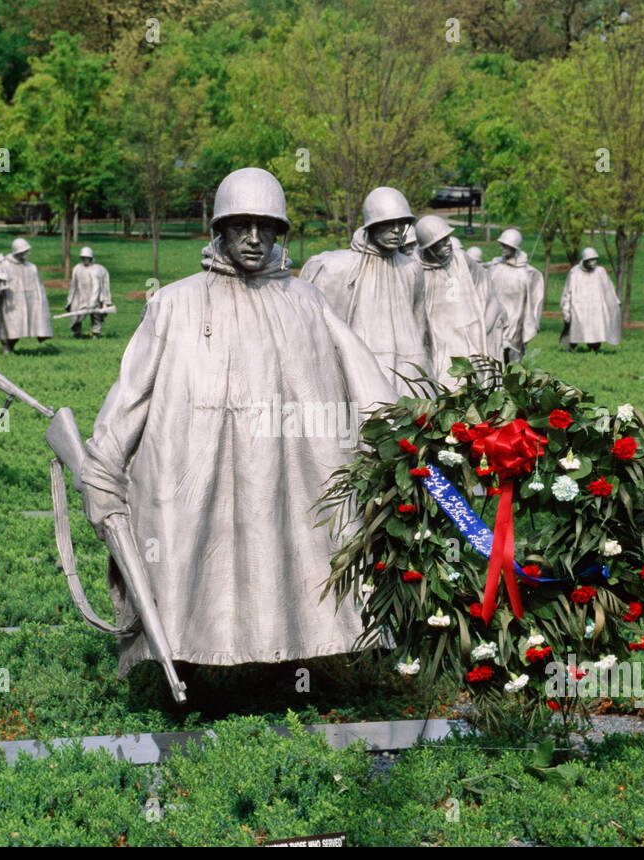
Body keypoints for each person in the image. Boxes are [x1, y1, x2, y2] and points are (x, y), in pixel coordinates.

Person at [78, 167, 394, 682]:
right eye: (240, 225)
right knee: (197, 560)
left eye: (265, 226)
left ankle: (293, 660)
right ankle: (192, 666)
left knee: (288, 555)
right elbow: (132, 392)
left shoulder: (307, 301)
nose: (253, 238)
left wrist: (400, 441)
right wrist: (103, 463)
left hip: (289, 474)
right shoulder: (175, 302)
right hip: (198, 472)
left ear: (279, 233)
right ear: (219, 230)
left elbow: (364, 377)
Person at [299, 186, 432, 383]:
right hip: (362, 366)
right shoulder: (340, 266)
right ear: (371, 225)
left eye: (400, 223)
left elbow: (419, 322)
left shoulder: (411, 268)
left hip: (409, 366)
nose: (396, 230)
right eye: (388, 223)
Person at [414, 215, 504, 382]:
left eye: (447, 238)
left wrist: (484, 326)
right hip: (436, 339)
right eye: (441, 241)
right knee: (442, 382)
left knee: (473, 382)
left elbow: (486, 288)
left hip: (468, 335)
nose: (448, 243)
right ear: (429, 247)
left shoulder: (461, 259)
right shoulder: (414, 268)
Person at [0, 237, 53, 353]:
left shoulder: (31, 268)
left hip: (26, 303)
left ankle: (9, 347)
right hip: (10, 303)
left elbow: (39, 288)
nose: (26, 254)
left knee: (21, 327)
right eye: (23, 252)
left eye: (26, 251)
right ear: (17, 252)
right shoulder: (5, 264)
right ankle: (7, 347)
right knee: (12, 327)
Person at [488, 228, 545, 362]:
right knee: (493, 359)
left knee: (514, 361)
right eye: (501, 245)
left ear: (514, 248)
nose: (502, 248)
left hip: (516, 322)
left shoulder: (527, 274)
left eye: (506, 246)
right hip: (495, 320)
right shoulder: (495, 268)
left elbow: (535, 300)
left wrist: (532, 322)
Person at [560, 247, 621, 352]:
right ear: (585, 260)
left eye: (595, 259)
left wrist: (615, 301)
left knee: (596, 329)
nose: (593, 262)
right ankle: (572, 348)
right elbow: (567, 292)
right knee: (577, 329)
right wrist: (566, 309)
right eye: (590, 260)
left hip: (595, 308)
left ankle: (594, 349)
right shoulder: (575, 273)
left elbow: (608, 288)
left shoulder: (600, 272)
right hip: (579, 307)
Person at [66, 246, 113, 338]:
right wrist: (70, 300)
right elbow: (73, 285)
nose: (84, 260)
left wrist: (92, 302)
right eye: (83, 258)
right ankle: (76, 333)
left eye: (86, 258)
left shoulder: (96, 270)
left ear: (90, 258)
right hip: (80, 297)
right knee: (76, 317)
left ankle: (95, 333)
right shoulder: (77, 269)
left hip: (94, 298)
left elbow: (97, 287)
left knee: (96, 317)